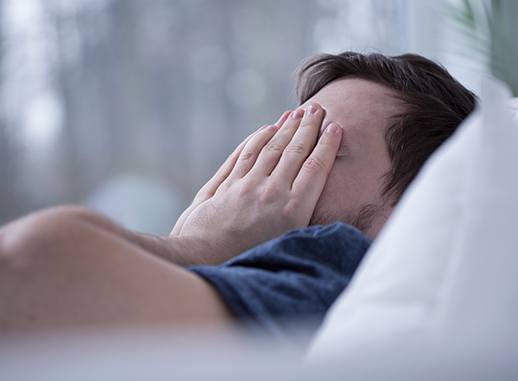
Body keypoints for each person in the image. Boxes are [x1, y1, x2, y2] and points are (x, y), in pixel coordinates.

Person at [0, 52, 476, 338]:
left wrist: (199, 248)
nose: (265, 167)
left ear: (420, 199)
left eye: (313, 145)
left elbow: (23, 269)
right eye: (280, 139)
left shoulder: (336, 268)